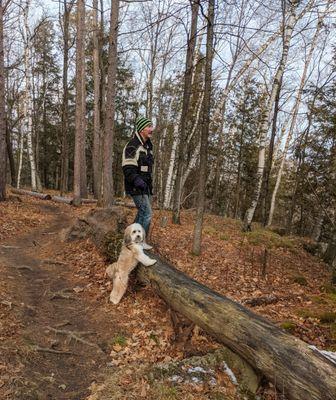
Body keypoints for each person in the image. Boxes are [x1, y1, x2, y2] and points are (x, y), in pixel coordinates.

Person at [122, 117, 154, 246]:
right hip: (136, 187)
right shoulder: (132, 146)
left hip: (145, 187)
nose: (152, 129)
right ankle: (140, 243)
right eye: (149, 127)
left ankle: (129, 239)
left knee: (142, 213)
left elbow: (147, 169)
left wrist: (148, 186)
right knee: (147, 214)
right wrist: (138, 182)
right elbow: (128, 168)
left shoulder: (148, 147)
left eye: (152, 126)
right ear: (141, 129)